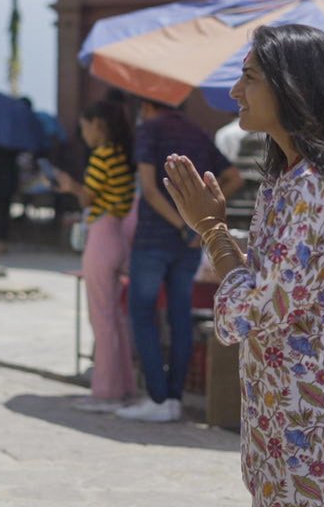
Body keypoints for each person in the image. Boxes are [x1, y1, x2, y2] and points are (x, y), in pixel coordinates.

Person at [163, 24, 324, 507]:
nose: (234, 92)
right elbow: (273, 290)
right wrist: (220, 235)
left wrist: (212, 232)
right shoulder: (285, 181)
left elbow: (249, 311)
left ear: (294, 88)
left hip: (321, 437)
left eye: (249, 78)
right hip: (285, 424)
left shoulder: (316, 186)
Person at [116, 98, 244, 422]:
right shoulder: (198, 132)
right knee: (180, 317)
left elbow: (148, 188)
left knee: (142, 313)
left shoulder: (149, 130)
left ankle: (158, 398)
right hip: (188, 244)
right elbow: (234, 177)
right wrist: (197, 223)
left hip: (153, 239)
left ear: (146, 105)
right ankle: (174, 397)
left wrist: (181, 221)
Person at [54, 100, 138, 412]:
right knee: (115, 317)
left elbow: (89, 196)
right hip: (117, 234)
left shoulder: (102, 155)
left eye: (85, 126)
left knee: (101, 318)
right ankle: (123, 386)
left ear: (98, 125)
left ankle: (105, 391)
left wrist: (69, 186)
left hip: (102, 235)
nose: (83, 133)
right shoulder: (121, 154)